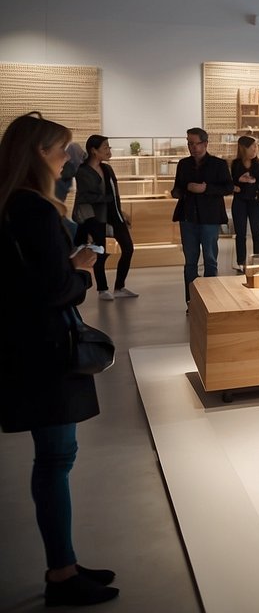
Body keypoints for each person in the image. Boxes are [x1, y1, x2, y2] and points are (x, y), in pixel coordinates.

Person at [0, 112, 120, 607]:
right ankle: (62, 573)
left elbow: (26, 281)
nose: (64, 160)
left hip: (27, 346)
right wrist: (82, 271)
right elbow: (53, 290)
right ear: (39, 155)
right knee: (55, 458)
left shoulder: (11, 203)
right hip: (47, 350)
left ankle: (64, 561)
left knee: (53, 458)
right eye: (59, 151)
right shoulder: (34, 208)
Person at [172, 128, 233, 305]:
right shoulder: (183, 164)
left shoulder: (218, 164)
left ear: (205, 143)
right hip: (187, 217)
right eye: (189, 143)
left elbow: (228, 188)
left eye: (196, 143)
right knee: (190, 262)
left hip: (210, 218)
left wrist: (206, 188)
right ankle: (191, 302)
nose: (193, 147)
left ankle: (210, 301)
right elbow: (177, 188)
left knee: (210, 259)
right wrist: (183, 190)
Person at [72, 135, 137, 300]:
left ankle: (120, 287)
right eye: (105, 147)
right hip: (96, 217)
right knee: (100, 252)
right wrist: (106, 199)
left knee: (128, 248)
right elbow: (85, 196)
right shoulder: (83, 171)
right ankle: (102, 289)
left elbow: (114, 195)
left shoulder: (107, 169)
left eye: (109, 147)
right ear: (94, 151)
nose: (109, 150)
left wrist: (120, 211)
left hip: (114, 215)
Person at [230, 135, 259, 273]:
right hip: (239, 202)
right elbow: (230, 182)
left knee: (257, 233)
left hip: (255, 203)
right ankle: (241, 262)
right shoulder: (236, 164)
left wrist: (258, 194)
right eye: (253, 147)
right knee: (240, 234)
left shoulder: (258, 164)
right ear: (244, 149)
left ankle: (258, 261)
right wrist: (239, 182)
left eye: (256, 147)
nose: (256, 149)